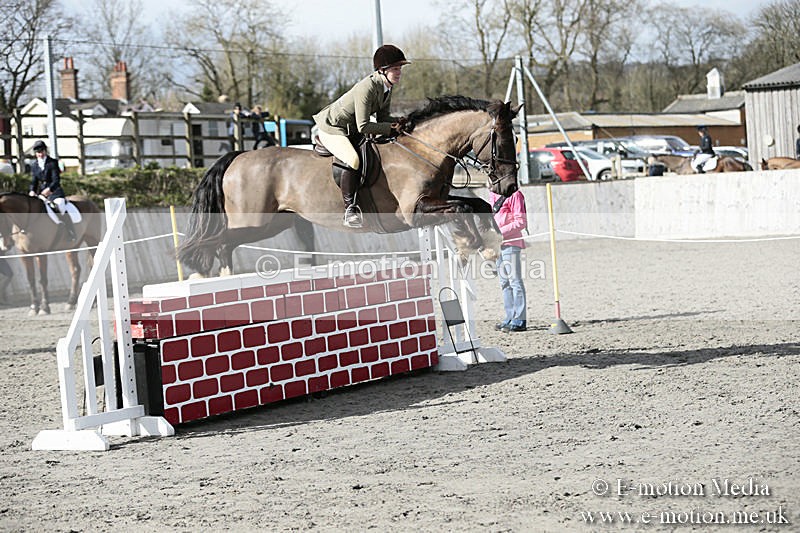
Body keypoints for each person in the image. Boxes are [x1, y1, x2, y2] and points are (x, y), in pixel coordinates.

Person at [313, 44, 410, 228]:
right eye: (395, 69)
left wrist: (403, 121)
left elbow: (383, 118)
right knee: (353, 159)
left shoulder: (387, 87)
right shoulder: (367, 87)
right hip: (332, 127)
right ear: (382, 70)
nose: (399, 73)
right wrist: (391, 128)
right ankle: (350, 209)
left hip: (351, 128)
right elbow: (364, 126)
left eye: (400, 69)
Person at [490, 189, 528, 333]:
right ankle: (510, 316)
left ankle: (520, 319)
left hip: (511, 243)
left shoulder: (515, 194)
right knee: (504, 283)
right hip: (497, 244)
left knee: (514, 281)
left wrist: (498, 233)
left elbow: (521, 222)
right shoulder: (492, 194)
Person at [28, 140, 76, 242]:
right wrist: (32, 191)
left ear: (45, 151)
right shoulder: (34, 166)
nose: (40, 154)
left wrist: (49, 189)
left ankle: (70, 231)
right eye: (38, 152)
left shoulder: (52, 163)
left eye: (41, 151)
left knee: (60, 206)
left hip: (55, 192)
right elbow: (34, 181)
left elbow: (56, 180)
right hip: (42, 193)